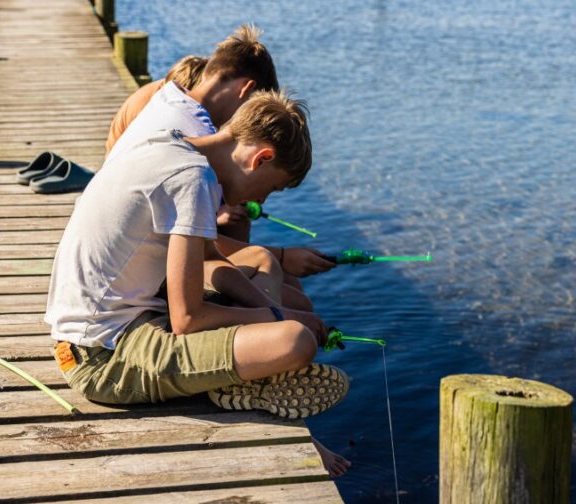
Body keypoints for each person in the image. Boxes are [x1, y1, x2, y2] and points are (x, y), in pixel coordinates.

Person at [45, 91, 349, 425]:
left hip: (110, 329)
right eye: (271, 188)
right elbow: (188, 319)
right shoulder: (193, 179)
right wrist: (277, 319)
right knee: (296, 341)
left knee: (264, 262)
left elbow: (209, 259)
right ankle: (246, 377)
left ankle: (248, 372)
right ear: (261, 158)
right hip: (103, 358)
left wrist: (272, 311)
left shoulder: (170, 145)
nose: (262, 199)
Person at [106, 26, 336, 306]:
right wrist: (281, 264)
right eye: (253, 107)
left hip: (123, 260)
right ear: (246, 91)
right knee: (291, 300)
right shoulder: (195, 145)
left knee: (278, 282)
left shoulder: (171, 101)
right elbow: (188, 297)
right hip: (128, 286)